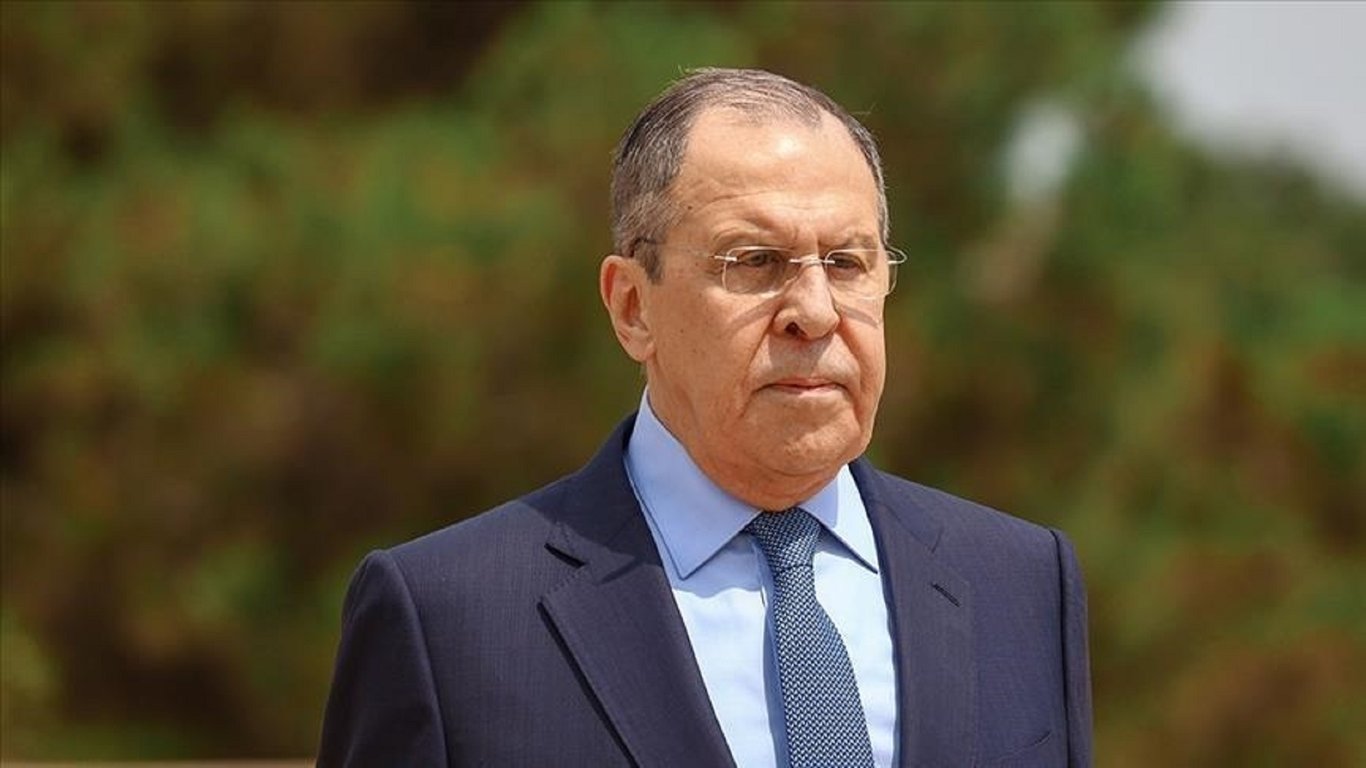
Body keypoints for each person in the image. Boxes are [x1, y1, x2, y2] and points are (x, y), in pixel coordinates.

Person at [317, 68, 1092, 767]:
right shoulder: (449, 619)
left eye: (847, 263)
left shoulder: (1021, 582)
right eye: (754, 262)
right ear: (632, 306)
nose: (815, 312)